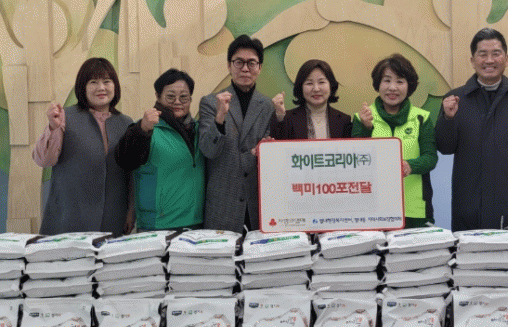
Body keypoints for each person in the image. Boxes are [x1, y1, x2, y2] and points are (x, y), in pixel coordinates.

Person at [435, 28, 508, 231]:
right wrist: (448, 118)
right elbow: (445, 147)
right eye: (482, 54)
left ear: (506, 59)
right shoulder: (456, 99)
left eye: (496, 53)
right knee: (468, 249)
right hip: (468, 200)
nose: (489, 60)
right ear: (472, 60)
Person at [33, 57, 133, 236]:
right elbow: (44, 159)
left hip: (113, 219)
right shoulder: (65, 117)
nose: (101, 88)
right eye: (93, 82)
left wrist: (131, 211)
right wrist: (53, 127)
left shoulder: (126, 123)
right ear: (83, 87)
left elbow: (131, 174)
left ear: (115, 86)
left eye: (107, 81)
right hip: (69, 219)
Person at [199, 35, 274, 233]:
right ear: (229, 66)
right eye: (239, 62)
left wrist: (266, 150)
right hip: (223, 204)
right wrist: (219, 118)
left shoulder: (267, 105)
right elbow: (207, 150)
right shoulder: (210, 102)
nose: (245, 68)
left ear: (260, 67)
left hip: (257, 202)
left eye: (251, 63)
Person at [352, 53, 437, 228]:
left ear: (409, 86)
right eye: (387, 80)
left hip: (415, 209)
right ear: (378, 84)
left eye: (400, 81)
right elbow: (356, 161)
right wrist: (365, 128)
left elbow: (431, 157)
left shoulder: (421, 118)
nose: (392, 88)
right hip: (374, 209)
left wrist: (411, 165)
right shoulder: (363, 118)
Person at [115, 68, 204, 231]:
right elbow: (125, 160)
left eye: (183, 97)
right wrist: (142, 130)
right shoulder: (147, 128)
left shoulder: (200, 130)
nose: (177, 102)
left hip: (196, 222)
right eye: (170, 96)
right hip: (158, 225)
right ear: (158, 96)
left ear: (191, 99)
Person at [270, 59, 351, 139]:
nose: (316, 89)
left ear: (331, 85)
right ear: (301, 88)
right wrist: (280, 115)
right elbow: (277, 143)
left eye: (321, 82)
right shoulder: (288, 119)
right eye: (309, 83)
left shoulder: (344, 120)